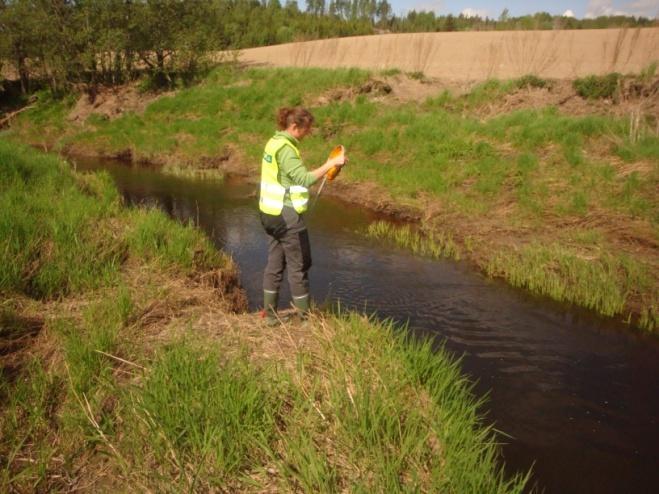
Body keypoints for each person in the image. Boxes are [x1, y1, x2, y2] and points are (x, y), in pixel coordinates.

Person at [259, 107, 346, 324]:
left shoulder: (273, 142)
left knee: (274, 265)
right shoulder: (286, 149)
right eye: (306, 129)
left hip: (269, 214)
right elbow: (303, 179)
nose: (308, 133)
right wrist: (330, 164)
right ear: (294, 126)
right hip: (286, 216)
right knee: (299, 267)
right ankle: (305, 320)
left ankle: (270, 317)